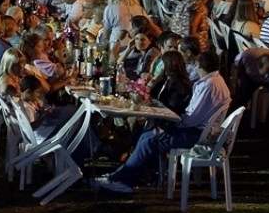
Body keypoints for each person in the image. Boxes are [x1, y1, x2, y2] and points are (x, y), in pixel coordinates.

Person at [92, 50, 231, 194]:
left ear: (199, 65)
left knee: (149, 141)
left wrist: (173, 124)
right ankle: (119, 177)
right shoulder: (214, 81)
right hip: (198, 130)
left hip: (196, 135)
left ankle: (123, 181)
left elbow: (192, 118)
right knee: (146, 136)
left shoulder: (209, 85)